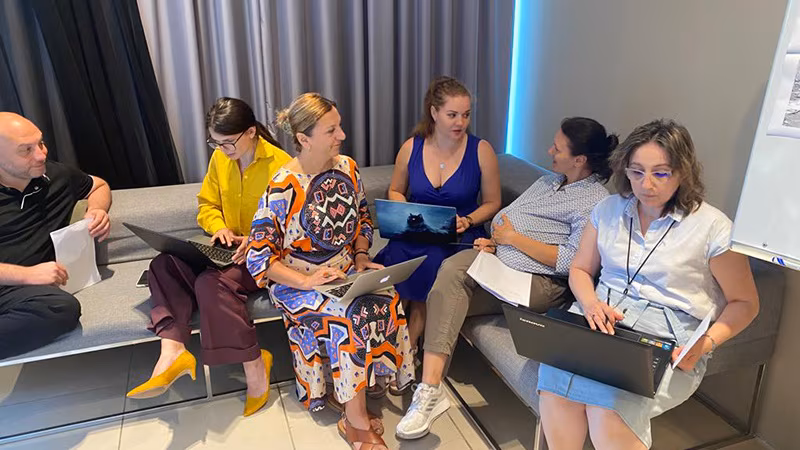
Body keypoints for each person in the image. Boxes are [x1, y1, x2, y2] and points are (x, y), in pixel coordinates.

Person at [538, 119, 760, 449]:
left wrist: (705, 344)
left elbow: (745, 303)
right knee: (555, 383)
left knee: (607, 405)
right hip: (600, 321)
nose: (647, 184)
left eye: (661, 172)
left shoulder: (712, 227)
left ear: (683, 172)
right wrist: (590, 304)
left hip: (668, 339)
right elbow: (581, 270)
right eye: (636, 172)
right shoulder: (608, 210)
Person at [396, 117, 617, 439]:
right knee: (448, 272)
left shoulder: (595, 201)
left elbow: (573, 262)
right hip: (501, 262)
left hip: (540, 282)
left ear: (580, 159)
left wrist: (512, 240)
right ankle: (430, 389)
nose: (549, 149)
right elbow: (508, 219)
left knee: (447, 287)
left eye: (558, 146)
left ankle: (425, 383)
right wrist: (495, 241)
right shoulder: (550, 182)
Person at [246, 93, 414, 450]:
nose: (342, 135)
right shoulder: (281, 187)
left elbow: (362, 220)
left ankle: (361, 388)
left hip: (344, 273)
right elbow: (260, 259)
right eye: (331, 130)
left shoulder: (348, 168)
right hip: (296, 282)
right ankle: (354, 422)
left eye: (339, 127)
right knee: (347, 315)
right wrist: (307, 280)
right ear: (304, 139)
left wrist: (362, 257)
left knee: (387, 296)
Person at [126, 97, 291, 418]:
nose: (223, 150)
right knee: (163, 264)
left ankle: (256, 364)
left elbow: (293, 226)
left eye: (228, 143)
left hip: (267, 257)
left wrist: (256, 240)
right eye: (215, 143)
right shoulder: (221, 161)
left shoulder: (282, 166)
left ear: (252, 132)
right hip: (228, 251)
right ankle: (173, 350)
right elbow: (207, 205)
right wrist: (219, 229)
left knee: (209, 283)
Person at [373, 76, 501, 369]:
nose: (461, 122)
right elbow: (395, 189)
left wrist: (467, 220)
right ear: (434, 112)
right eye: (452, 115)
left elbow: (493, 203)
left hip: (458, 235)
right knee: (395, 258)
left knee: (431, 262)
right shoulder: (412, 147)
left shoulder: (481, 150)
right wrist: (405, 211)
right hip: (418, 231)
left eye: (466, 115)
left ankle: (405, 355)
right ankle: (394, 347)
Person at [0, 112, 111, 359]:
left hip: (21, 296)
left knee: (60, 307)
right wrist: (27, 274)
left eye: (40, 143)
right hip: (15, 281)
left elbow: (98, 185)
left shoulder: (54, 175)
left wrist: (97, 209)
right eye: (25, 150)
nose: (41, 154)